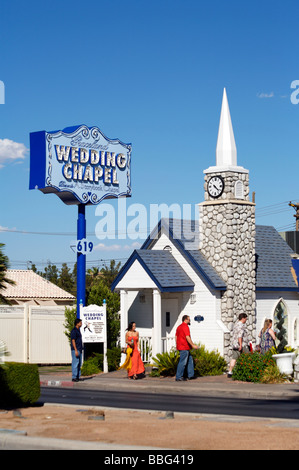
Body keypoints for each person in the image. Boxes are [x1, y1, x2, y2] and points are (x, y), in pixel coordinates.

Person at [175, 315, 198, 381]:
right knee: (183, 362)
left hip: (183, 347)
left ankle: (190, 375)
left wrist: (177, 344)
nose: (189, 320)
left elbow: (176, 336)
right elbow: (187, 337)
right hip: (184, 347)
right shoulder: (185, 327)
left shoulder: (179, 327)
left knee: (190, 361)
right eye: (189, 319)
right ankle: (179, 377)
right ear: (185, 320)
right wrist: (193, 345)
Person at [227, 313, 249, 378]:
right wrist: (241, 345)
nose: (246, 320)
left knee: (234, 358)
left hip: (234, 344)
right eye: (245, 318)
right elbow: (240, 336)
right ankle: (246, 371)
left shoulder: (236, 325)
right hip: (242, 345)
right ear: (243, 318)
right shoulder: (241, 325)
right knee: (247, 357)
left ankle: (230, 371)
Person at [70, 318, 83, 382]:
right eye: (80, 323)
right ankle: (74, 377)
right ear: (77, 323)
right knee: (75, 363)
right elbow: (73, 340)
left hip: (80, 349)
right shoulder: (74, 331)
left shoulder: (78, 330)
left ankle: (78, 376)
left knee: (79, 363)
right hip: (76, 349)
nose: (81, 324)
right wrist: (75, 350)